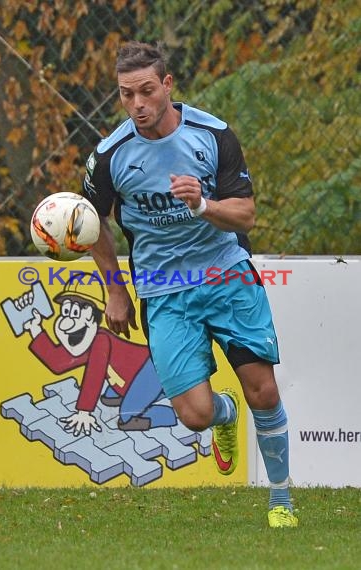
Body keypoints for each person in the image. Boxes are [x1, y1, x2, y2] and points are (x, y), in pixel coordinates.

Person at [82, 40, 298, 528]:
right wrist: (116, 290)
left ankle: (281, 500)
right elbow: (91, 222)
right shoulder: (110, 155)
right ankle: (225, 415)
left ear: (167, 86)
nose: (137, 104)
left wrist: (203, 205)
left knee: (262, 390)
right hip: (163, 289)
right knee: (195, 415)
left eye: (146, 91)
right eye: (125, 95)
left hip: (226, 273)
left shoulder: (213, 134)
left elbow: (247, 212)